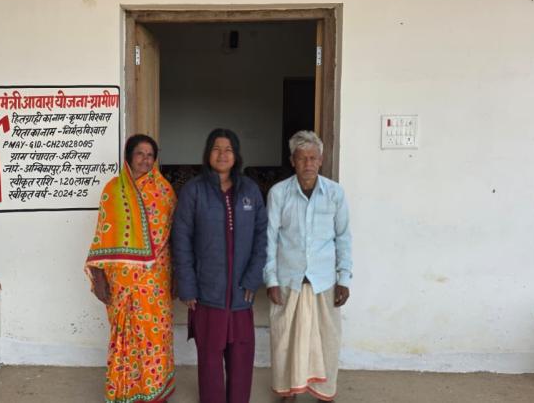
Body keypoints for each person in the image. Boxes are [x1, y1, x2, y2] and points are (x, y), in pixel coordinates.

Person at [172, 128, 268, 403]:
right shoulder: (194, 190)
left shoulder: (250, 190)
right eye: (216, 148)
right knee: (209, 358)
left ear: (236, 155)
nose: (222, 154)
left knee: (241, 356)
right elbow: (181, 239)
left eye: (228, 149)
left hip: (241, 292)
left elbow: (262, 236)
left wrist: (253, 277)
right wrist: (187, 285)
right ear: (208, 154)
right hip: (207, 292)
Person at [85, 134, 177, 403]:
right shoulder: (113, 190)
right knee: (125, 336)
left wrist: (178, 276)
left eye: (150, 155)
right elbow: (103, 234)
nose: (145, 160)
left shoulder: (164, 191)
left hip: (155, 279)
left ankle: (154, 390)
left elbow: (174, 236)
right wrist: (99, 277)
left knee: (154, 335)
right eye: (140, 154)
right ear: (129, 157)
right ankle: (125, 390)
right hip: (120, 281)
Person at [264, 130, 353, 402]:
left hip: (323, 281)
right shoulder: (279, 193)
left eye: (313, 158)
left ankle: (324, 393)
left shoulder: (335, 193)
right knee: (285, 341)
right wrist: (271, 280)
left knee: (326, 340)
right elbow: (270, 238)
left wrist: (344, 279)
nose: (308, 163)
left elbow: (343, 237)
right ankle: (287, 391)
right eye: (302, 158)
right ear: (293, 160)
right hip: (288, 279)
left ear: (321, 160)